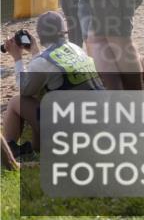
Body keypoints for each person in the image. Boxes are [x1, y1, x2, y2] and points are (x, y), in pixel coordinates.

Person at [3, 12, 103, 158]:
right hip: (98, 123)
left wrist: (17, 58)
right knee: (44, 97)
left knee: (16, 102)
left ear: (39, 34)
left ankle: (7, 151)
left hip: (73, 133)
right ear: (64, 31)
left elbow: (24, 89)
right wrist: (35, 52)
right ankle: (36, 148)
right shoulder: (77, 49)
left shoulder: (43, 62)